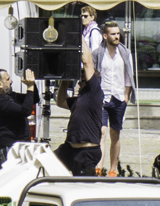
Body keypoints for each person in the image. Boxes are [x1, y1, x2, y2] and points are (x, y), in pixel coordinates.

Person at [93, 20, 140, 173]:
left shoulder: (125, 52)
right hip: (102, 97)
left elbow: (128, 76)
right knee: (101, 132)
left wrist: (126, 96)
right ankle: (99, 167)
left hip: (119, 97)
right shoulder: (98, 53)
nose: (116, 36)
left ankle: (113, 169)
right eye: (113, 34)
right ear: (105, 36)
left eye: (118, 33)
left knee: (115, 134)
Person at [57, 50, 106, 175]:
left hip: (87, 152)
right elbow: (61, 101)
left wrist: (79, 34)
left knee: (83, 187)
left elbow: (88, 62)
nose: (79, 83)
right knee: (44, 163)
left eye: (81, 80)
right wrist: (65, 79)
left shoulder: (94, 94)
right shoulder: (79, 100)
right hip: (69, 150)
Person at [0, 68, 37, 163]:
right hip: (9, 147)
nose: (11, 81)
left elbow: (34, 99)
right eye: (7, 79)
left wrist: (32, 83)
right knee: (9, 177)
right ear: (0, 84)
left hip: (18, 146)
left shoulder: (10, 96)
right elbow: (25, 111)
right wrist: (30, 87)